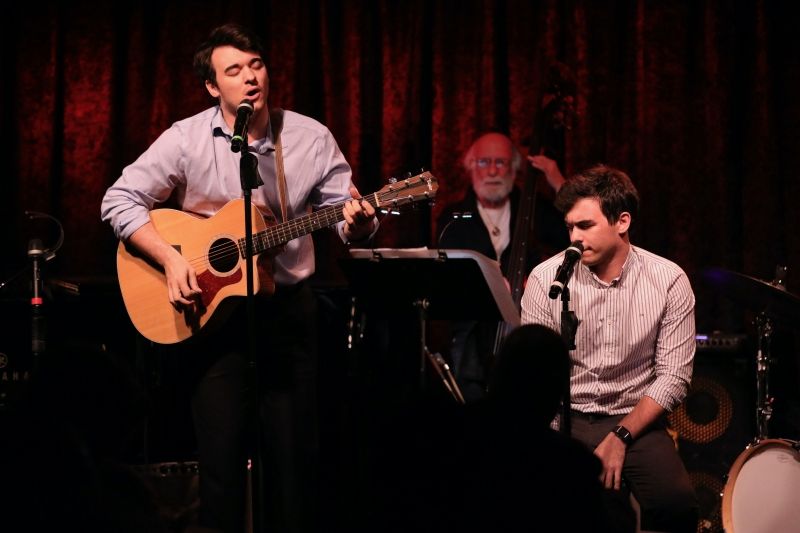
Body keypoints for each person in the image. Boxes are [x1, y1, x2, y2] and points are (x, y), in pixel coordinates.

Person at [101, 23, 377, 533]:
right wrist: (170, 257)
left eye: (257, 65)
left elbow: (345, 217)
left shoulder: (310, 137)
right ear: (212, 86)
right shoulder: (185, 139)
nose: (251, 78)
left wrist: (358, 221)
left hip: (288, 314)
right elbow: (119, 199)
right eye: (234, 70)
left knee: (294, 466)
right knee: (221, 465)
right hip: (212, 319)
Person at [521, 165, 698, 532]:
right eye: (570, 227)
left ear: (622, 222)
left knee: (676, 503)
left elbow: (673, 377)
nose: (574, 237)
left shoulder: (668, 280)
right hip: (564, 419)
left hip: (634, 420)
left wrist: (620, 436)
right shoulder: (545, 279)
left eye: (585, 226)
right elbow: (535, 370)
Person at [435, 131, 568, 401]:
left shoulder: (535, 209)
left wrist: (558, 182)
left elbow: (577, 239)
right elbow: (448, 277)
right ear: (471, 167)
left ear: (515, 168)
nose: (493, 170)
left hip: (527, 329)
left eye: (501, 162)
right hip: (472, 341)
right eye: (484, 162)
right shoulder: (453, 217)